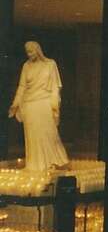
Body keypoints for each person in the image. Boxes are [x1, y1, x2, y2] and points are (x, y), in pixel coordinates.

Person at [7, 41, 70, 171]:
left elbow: (55, 87)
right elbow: (22, 86)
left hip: (44, 103)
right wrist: (15, 103)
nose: (29, 54)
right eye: (27, 52)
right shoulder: (26, 66)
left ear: (38, 50)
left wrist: (55, 106)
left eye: (31, 51)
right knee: (32, 136)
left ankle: (53, 162)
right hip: (29, 104)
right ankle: (34, 165)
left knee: (49, 133)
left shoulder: (50, 64)